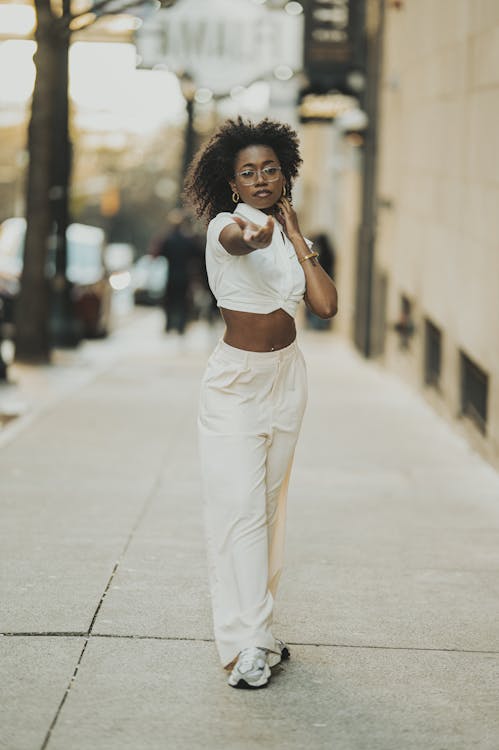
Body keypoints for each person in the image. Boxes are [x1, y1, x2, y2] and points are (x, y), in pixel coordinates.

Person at [183, 117, 338, 689]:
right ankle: (244, 645)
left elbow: (324, 306)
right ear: (232, 182)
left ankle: (261, 628)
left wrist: (297, 240)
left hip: (287, 380)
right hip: (235, 386)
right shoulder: (226, 225)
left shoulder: (293, 234)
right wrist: (257, 235)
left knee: (269, 509)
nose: (260, 179)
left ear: (285, 174)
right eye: (248, 172)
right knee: (238, 512)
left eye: (269, 169)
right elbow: (236, 241)